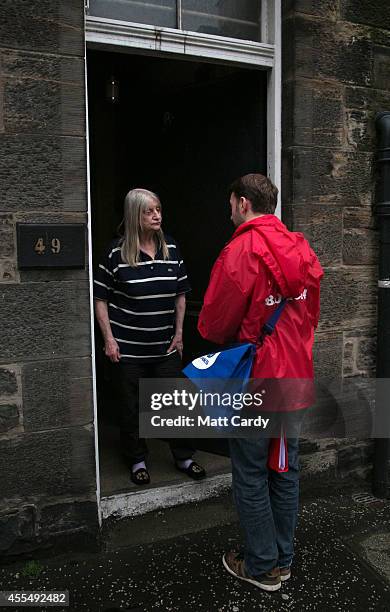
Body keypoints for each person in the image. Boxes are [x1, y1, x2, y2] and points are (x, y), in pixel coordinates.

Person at [198, 173, 323, 591]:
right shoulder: (302, 247)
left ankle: (262, 566)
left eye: (231, 203)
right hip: (294, 377)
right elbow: (310, 317)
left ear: (243, 203)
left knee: (251, 473)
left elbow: (214, 325)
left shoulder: (240, 251)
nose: (229, 210)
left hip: (255, 382)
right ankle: (281, 560)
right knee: (284, 470)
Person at [94, 188, 205, 485]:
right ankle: (137, 460)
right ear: (134, 216)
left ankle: (184, 457)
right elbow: (100, 299)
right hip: (127, 350)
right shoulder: (115, 253)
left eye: (158, 209)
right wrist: (109, 339)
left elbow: (181, 295)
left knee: (177, 402)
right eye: (148, 211)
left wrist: (179, 334)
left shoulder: (171, 248)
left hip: (164, 347)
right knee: (130, 408)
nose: (157, 215)